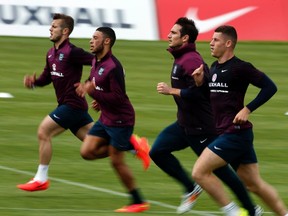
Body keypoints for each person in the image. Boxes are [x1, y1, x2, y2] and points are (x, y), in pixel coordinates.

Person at [149, 17, 261, 216]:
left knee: (222, 172)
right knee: (157, 151)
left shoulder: (191, 60)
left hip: (202, 127)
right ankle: (191, 188)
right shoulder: (180, 57)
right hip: (184, 124)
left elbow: (201, 93)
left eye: (173, 33)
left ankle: (251, 209)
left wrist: (171, 91)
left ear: (184, 38)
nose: (168, 35)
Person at [192, 25, 288, 216]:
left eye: (215, 40)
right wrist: (200, 82)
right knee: (254, 185)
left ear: (228, 43)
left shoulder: (241, 67)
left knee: (199, 173)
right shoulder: (213, 68)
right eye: (211, 40)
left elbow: (270, 87)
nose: (211, 43)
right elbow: (213, 97)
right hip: (234, 134)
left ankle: (234, 212)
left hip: (234, 133)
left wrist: (247, 109)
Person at [74, 27, 150, 213]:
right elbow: (95, 83)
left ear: (106, 41)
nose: (91, 41)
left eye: (95, 38)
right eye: (91, 37)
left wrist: (93, 93)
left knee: (117, 161)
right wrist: (96, 97)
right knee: (87, 151)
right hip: (106, 117)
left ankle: (138, 201)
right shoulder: (95, 61)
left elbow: (117, 97)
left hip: (121, 120)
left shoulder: (113, 67)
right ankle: (132, 144)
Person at [17, 13, 95, 192]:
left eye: (54, 26)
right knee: (96, 143)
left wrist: (89, 83)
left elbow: (97, 62)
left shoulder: (72, 52)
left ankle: (41, 178)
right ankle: (133, 146)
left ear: (65, 31)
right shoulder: (51, 53)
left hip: (72, 105)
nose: (50, 29)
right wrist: (34, 83)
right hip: (73, 108)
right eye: (51, 26)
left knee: (44, 131)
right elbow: (47, 77)